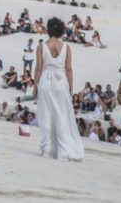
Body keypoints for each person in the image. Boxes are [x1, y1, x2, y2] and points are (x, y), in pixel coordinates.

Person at [33, 17, 84, 161]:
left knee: (46, 115)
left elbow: (38, 68)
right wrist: (71, 86)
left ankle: (47, 149)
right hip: (61, 82)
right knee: (61, 115)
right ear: (61, 30)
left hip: (45, 80)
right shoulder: (66, 47)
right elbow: (69, 69)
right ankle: (63, 150)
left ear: (49, 29)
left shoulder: (42, 46)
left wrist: (35, 85)